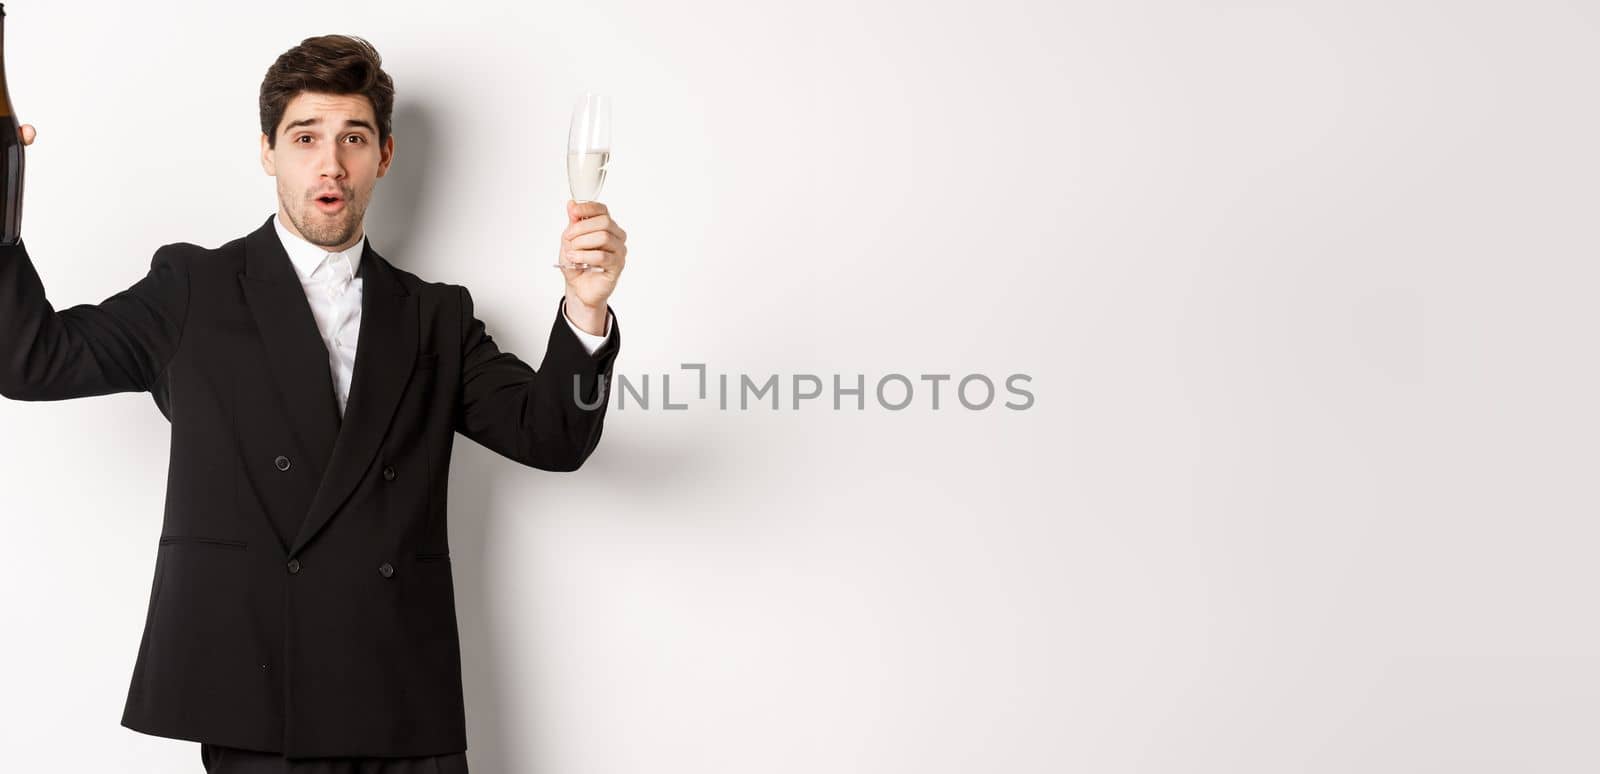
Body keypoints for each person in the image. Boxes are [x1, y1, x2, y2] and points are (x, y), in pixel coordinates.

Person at [0, 34, 627, 772]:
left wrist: (586, 314)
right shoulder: (192, 290)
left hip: (402, 701)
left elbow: (553, 436)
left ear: (384, 155)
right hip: (262, 696)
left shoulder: (436, 316)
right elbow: (28, 360)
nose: (330, 163)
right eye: (305, 138)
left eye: (353, 138)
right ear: (268, 151)